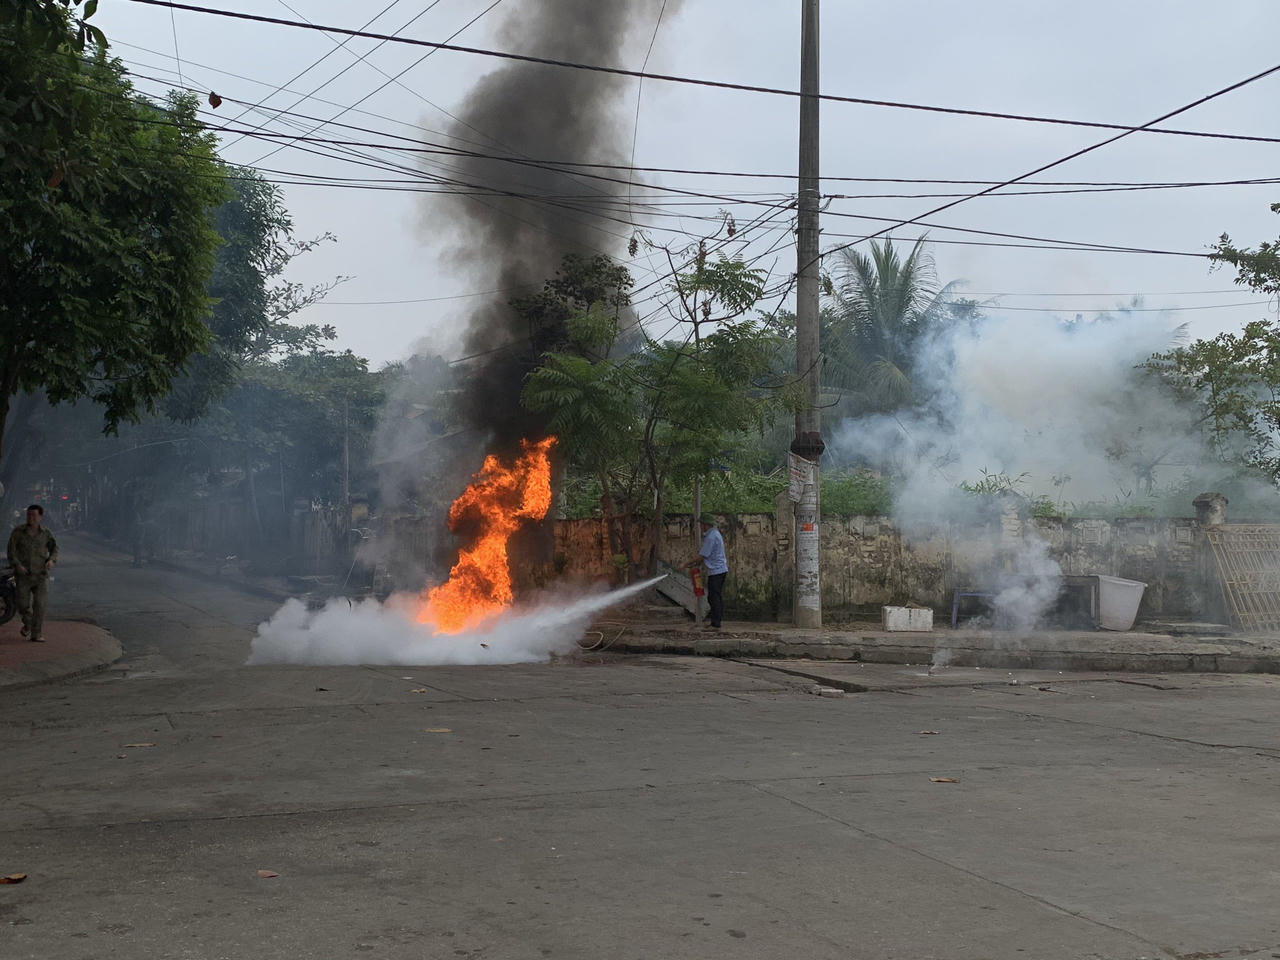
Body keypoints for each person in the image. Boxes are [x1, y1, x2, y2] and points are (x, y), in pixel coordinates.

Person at [7, 503, 58, 642]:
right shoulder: (18, 532)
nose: (31, 518)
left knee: (40, 605)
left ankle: (36, 634)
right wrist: (17, 565)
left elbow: (54, 549)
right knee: (22, 605)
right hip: (23, 575)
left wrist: (52, 560)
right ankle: (28, 623)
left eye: (34, 515)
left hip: (41, 575)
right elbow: (11, 552)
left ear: (40, 517)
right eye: (29, 515)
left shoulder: (46, 533)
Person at [686, 513, 728, 629]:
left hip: (717, 571)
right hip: (718, 571)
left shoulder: (711, 537)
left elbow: (702, 556)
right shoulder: (714, 534)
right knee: (714, 597)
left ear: (705, 525)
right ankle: (715, 622)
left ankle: (716, 623)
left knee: (714, 598)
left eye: (701, 525)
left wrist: (685, 564)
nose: (700, 527)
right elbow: (705, 555)